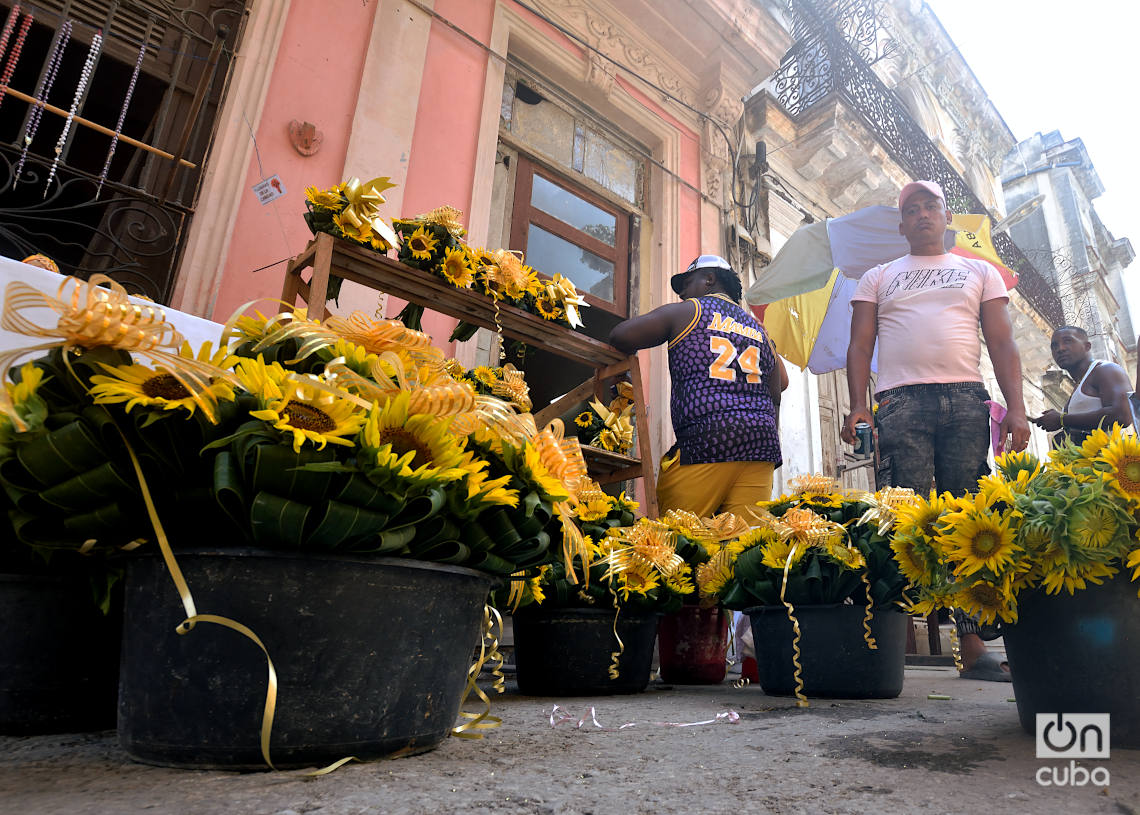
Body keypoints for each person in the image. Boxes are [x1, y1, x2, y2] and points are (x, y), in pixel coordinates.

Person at [841, 180, 1030, 682]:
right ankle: (886, 640)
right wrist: (858, 405)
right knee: (898, 517)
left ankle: (971, 647)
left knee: (967, 519)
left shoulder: (979, 271)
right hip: (900, 402)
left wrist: (1017, 408)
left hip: (967, 399)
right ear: (901, 224)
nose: (922, 214)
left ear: (945, 216)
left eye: (931, 206)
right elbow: (859, 348)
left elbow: (1002, 342)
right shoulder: (878, 276)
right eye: (912, 209)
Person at [609, 254, 787, 518]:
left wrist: (619, 376)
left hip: (708, 441)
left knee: (680, 542)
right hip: (761, 447)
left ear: (710, 279)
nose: (682, 293)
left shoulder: (691, 311)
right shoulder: (759, 330)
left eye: (687, 283)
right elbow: (780, 384)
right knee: (743, 545)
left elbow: (620, 335)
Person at [1032, 326, 1133, 445]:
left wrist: (1062, 420)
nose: (1060, 349)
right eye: (1054, 346)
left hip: (1111, 461)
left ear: (1087, 346)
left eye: (1067, 341)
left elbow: (1122, 415)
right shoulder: (1080, 383)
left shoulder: (1106, 370)